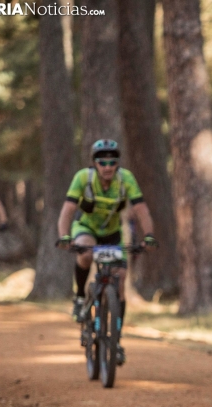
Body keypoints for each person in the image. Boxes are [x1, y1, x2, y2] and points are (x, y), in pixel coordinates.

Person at [56, 139, 158, 365]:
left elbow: (141, 210)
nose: (108, 166)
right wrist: (65, 236)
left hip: (112, 235)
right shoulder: (83, 178)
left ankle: (116, 341)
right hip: (86, 228)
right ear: (95, 163)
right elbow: (67, 210)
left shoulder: (125, 179)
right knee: (85, 253)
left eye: (113, 161)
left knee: (119, 281)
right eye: (103, 161)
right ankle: (80, 296)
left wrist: (148, 236)